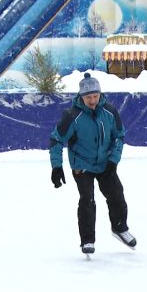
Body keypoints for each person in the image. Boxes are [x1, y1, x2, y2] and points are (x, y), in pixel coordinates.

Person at [49, 73, 136, 255]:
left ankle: (119, 228)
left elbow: (120, 136)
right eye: (88, 97)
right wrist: (57, 166)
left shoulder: (110, 112)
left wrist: (113, 161)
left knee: (117, 195)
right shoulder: (72, 115)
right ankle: (87, 240)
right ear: (81, 96)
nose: (92, 100)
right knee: (87, 200)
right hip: (82, 164)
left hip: (105, 163)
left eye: (95, 96)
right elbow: (56, 140)